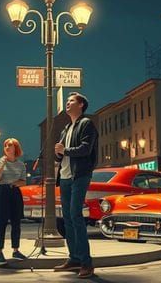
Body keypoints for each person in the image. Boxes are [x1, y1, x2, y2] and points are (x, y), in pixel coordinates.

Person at [54, 92, 99, 278]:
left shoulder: (86, 124)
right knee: (67, 218)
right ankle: (74, 258)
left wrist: (64, 150)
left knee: (75, 215)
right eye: (67, 101)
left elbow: (85, 149)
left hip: (79, 176)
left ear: (81, 105)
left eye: (71, 100)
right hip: (64, 177)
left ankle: (87, 263)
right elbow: (62, 155)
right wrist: (58, 152)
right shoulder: (66, 127)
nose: (67, 103)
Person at [0, 138, 28, 265]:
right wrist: (2, 165)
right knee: (2, 223)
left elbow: (24, 181)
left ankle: (16, 250)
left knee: (16, 222)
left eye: (10, 145)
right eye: (5, 145)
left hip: (15, 192)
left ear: (15, 148)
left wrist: (14, 183)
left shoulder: (21, 164)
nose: (7, 147)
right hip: (2, 191)